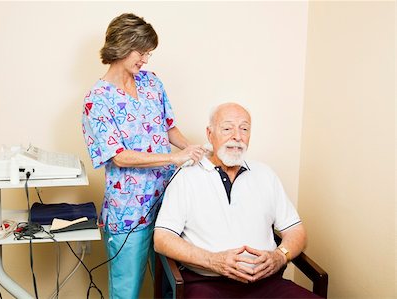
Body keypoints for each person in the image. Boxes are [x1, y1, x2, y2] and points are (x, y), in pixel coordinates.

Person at [81, 13, 205, 299]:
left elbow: (168, 127)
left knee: (170, 285)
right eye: (142, 52)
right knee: (127, 290)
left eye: (149, 53)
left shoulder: (151, 82)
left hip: (167, 205)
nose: (146, 60)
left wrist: (192, 150)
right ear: (122, 46)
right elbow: (119, 157)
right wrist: (174, 159)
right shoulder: (96, 100)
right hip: (128, 213)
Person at [154, 102, 321, 298]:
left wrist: (279, 256)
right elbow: (162, 239)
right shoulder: (185, 177)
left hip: (266, 284)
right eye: (227, 128)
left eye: (244, 128)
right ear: (210, 134)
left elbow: (296, 230)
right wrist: (213, 261)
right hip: (207, 284)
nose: (237, 136)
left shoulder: (265, 175)